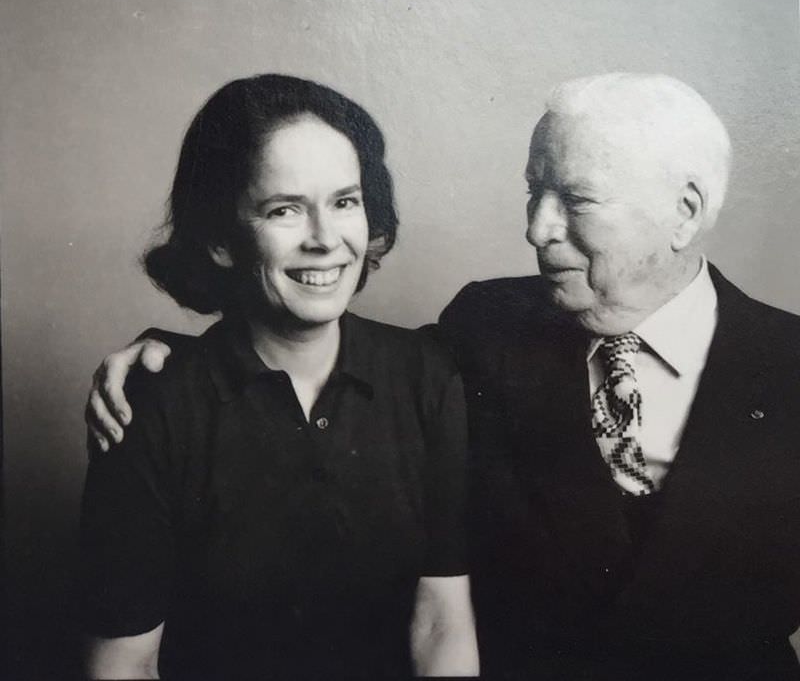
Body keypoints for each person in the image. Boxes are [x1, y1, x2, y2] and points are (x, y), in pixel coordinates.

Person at [86, 73, 800, 680]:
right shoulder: (483, 328)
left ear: (686, 212)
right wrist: (174, 357)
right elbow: (306, 357)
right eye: (534, 192)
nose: (536, 228)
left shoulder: (790, 367)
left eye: (576, 200)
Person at [79, 74, 479, 680]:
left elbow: (440, 623)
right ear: (220, 239)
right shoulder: (152, 405)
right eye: (284, 209)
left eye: (345, 201)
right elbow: (124, 664)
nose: (325, 240)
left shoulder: (427, 376)